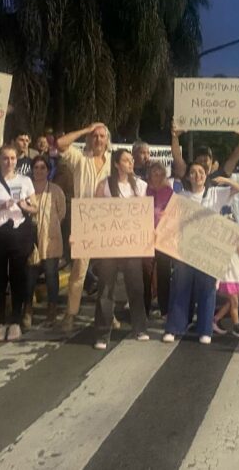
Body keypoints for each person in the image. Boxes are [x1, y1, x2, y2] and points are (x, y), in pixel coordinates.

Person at [162, 162, 239, 344]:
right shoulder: (182, 195)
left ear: (206, 175)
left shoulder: (215, 193)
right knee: (181, 288)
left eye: (200, 172)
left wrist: (225, 180)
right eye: (193, 172)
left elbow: (238, 189)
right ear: (188, 177)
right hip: (185, 249)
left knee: (207, 290)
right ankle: (174, 327)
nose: (197, 175)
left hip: (208, 251)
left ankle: (205, 330)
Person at [91, 149, 150, 349]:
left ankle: (140, 328)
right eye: (126, 160)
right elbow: (94, 214)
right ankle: (102, 333)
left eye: (131, 160)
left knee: (135, 287)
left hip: (132, 246)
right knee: (106, 289)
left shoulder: (141, 186)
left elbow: (144, 215)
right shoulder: (104, 185)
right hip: (109, 248)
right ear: (116, 164)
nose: (130, 162)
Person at [56, 123, 112, 332]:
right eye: (94, 136)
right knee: (79, 271)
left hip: (108, 223)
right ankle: (70, 314)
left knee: (109, 272)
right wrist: (85, 129)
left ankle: (108, 314)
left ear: (107, 140)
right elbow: (61, 143)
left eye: (101, 136)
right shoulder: (80, 159)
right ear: (89, 139)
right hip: (84, 222)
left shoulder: (112, 162)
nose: (98, 139)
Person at [0, 145, 38, 342]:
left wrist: (24, 205)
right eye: (5, 158)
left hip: (19, 233)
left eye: (13, 158)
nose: (9, 162)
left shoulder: (25, 181)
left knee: (17, 277)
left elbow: (35, 208)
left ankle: (15, 321)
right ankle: (1, 322)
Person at [26, 155, 67, 327]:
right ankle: (27, 309)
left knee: (51, 275)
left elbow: (62, 213)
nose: (39, 171)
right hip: (29, 238)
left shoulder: (56, 190)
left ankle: (52, 308)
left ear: (48, 171)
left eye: (43, 168)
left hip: (50, 238)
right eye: (36, 167)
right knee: (29, 276)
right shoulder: (25, 189)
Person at [144, 161, 178, 317]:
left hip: (164, 239)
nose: (157, 176)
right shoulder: (144, 190)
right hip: (146, 239)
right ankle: (144, 308)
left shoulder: (170, 192)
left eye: (160, 173)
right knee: (146, 273)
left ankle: (165, 309)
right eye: (154, 173)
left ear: (164, 175)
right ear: (149, 175)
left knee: (164, 274)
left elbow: (175, 215)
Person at [213, 234, 239, 337]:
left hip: (236, 275)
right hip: (227, 276)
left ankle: (215, 319)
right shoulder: (220, 239)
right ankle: (236, 325)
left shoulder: (237, 240)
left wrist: (236, 242)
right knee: (234, 301)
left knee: (232, 302)